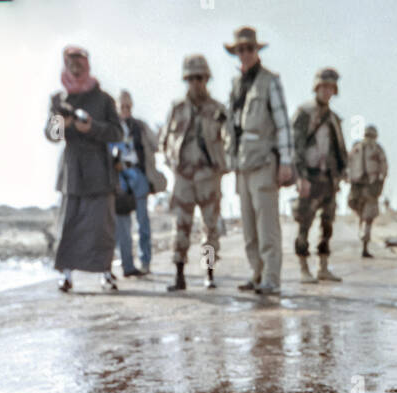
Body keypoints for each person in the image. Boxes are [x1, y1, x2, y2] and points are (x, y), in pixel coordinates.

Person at [223, 26, 294, 297]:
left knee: (267, 226)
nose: (244, 53)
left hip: (265, 162)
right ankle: (256, 273)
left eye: (249, 49)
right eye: (240, 49)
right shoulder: (235, 86)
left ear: (257, 51)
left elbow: (283, 124)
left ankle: (271, 278)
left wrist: (285, 161)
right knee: (249, 226)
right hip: (242, 164)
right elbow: (231, 126)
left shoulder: (269, 81)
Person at [45, 45, 122, 293]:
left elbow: (117, 133)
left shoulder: (104, 99)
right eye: (70, 62)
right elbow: (52, 135)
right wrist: (62, 122)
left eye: (79, 61)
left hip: (99, 170)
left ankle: (106, 273)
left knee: (102, 227)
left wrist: (92, 128)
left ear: (87, 64)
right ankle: (66, 276)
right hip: (71, 173)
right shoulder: (58, 99)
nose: (75, 66)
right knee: (68, 226)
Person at [160, 55, 228, 292]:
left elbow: (229, 139)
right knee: (180, 226)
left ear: (207, 79)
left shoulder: (218, 110)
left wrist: (222, 165)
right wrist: (173, 163)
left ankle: (209, 273)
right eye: (190, 78)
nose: (195, 83)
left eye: (199, 78)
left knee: (210, 230)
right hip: (184, 177)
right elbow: (165, 141)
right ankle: (179, 274)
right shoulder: (177, 108)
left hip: (209, 177)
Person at [292, 68, 348, 284]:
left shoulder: (333, 118)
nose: (327, 91)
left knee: (327, 224)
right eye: (323, 87)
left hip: (329, 178)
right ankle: (303, 268)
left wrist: (343, 171)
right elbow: (295, 147)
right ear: (316, 87)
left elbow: (339, 148)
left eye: (331, 88)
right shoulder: (304, 113)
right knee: (304, 223)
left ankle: (323, 267)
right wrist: (300, 177)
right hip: (310, 176)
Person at [112, 91, 165, 278]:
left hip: (138, 175)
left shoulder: (140, 126)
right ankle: (127, 265)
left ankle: (145, 262)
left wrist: (162, 133)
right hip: (119, 179)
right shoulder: (110, 127)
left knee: (143, 222)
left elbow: (157, 144)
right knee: (123, 224)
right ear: (117, 107)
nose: (125, 109)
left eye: (128, 106)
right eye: (122, 106)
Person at [347, 124, 388, 258]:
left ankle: (364, 241)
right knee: (363, 214)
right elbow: (349, 164)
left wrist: (380, 182)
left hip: (369, 186)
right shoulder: (358, 149)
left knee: (368, 216)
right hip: (359, 185)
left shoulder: (375, 150)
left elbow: (383, 167)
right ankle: (363, 236)